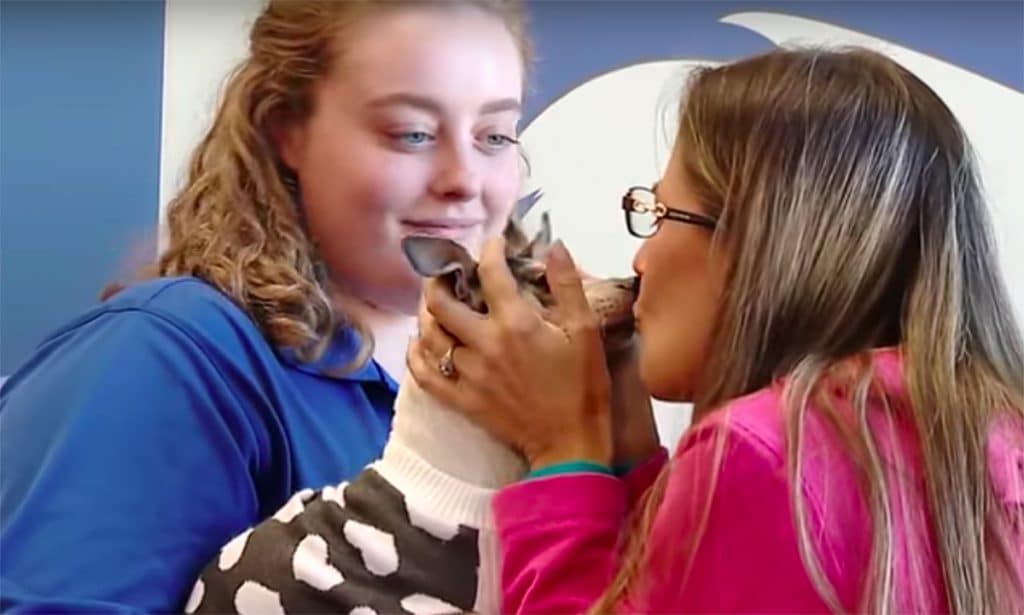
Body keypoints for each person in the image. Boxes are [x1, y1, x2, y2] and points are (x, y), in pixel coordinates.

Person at [409, 47, 1024, 614]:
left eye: (655, 213)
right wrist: (626, 450)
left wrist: (560, 451)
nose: (639, 264)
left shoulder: (759, 454)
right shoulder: (993, 434)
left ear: (757, 239)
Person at [0, 0, 530, 611]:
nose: (464, 178)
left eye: (494, 136)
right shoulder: (165, 358)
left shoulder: (513, 383)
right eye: (411, 132)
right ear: (286, 130)